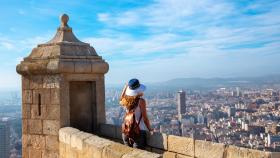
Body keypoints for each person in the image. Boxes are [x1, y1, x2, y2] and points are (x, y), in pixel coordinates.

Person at [120, 78, 153, 149]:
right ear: (139, 90)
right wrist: (150, 129)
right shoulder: (141, 101)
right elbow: (145, 118)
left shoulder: (125, 101)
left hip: (126, 131)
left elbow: (121, 98)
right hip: (138, 132)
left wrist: (125, 87)